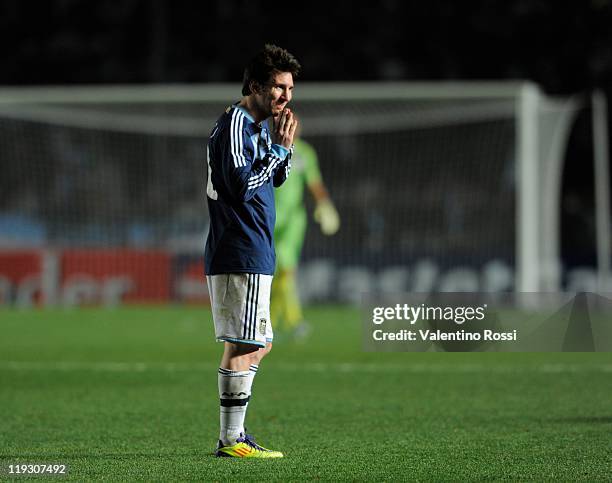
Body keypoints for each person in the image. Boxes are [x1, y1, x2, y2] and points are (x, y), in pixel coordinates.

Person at [204, 44, 300, 458]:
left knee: (260, 343)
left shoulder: (259, 126)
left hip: (255, 247)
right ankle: (232, 439)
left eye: (290, 88)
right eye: (278, 87)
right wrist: (277, 151)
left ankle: (234, 436)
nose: (285, 96)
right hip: (238, 247)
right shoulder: (235, 125)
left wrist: (285, 148)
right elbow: (240, 187)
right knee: (244, 343)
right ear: (256, 86)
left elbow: (274, 179)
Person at [271, 121, 340, 337]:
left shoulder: (304, 153)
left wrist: (325, 204)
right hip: (267, 217)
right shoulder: (267, 147)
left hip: (293, 220)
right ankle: (272, 323)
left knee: (285, 269)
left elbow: (314, 182)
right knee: (274, 272)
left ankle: (286, 322)